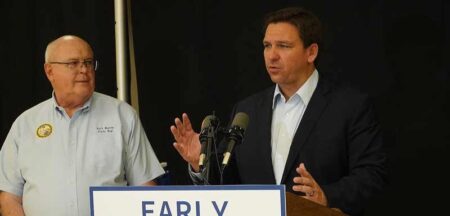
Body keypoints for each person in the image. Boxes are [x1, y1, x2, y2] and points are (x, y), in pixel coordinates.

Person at [170, 7, 387, 215]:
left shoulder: (349, 106)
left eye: (283, 46)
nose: (271, 56)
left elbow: (372, 175)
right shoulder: (247, 111)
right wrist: (200, 163)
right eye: (267, 45)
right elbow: (230, 181)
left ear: (311, 52)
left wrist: (326, 196)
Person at [0, 35, 164, 216]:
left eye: (88, 62)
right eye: (73, 64)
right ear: (49, 71)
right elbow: (9, 197)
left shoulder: (122, 116)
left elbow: (146, 190)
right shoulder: (25, 124)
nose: (84, 70)